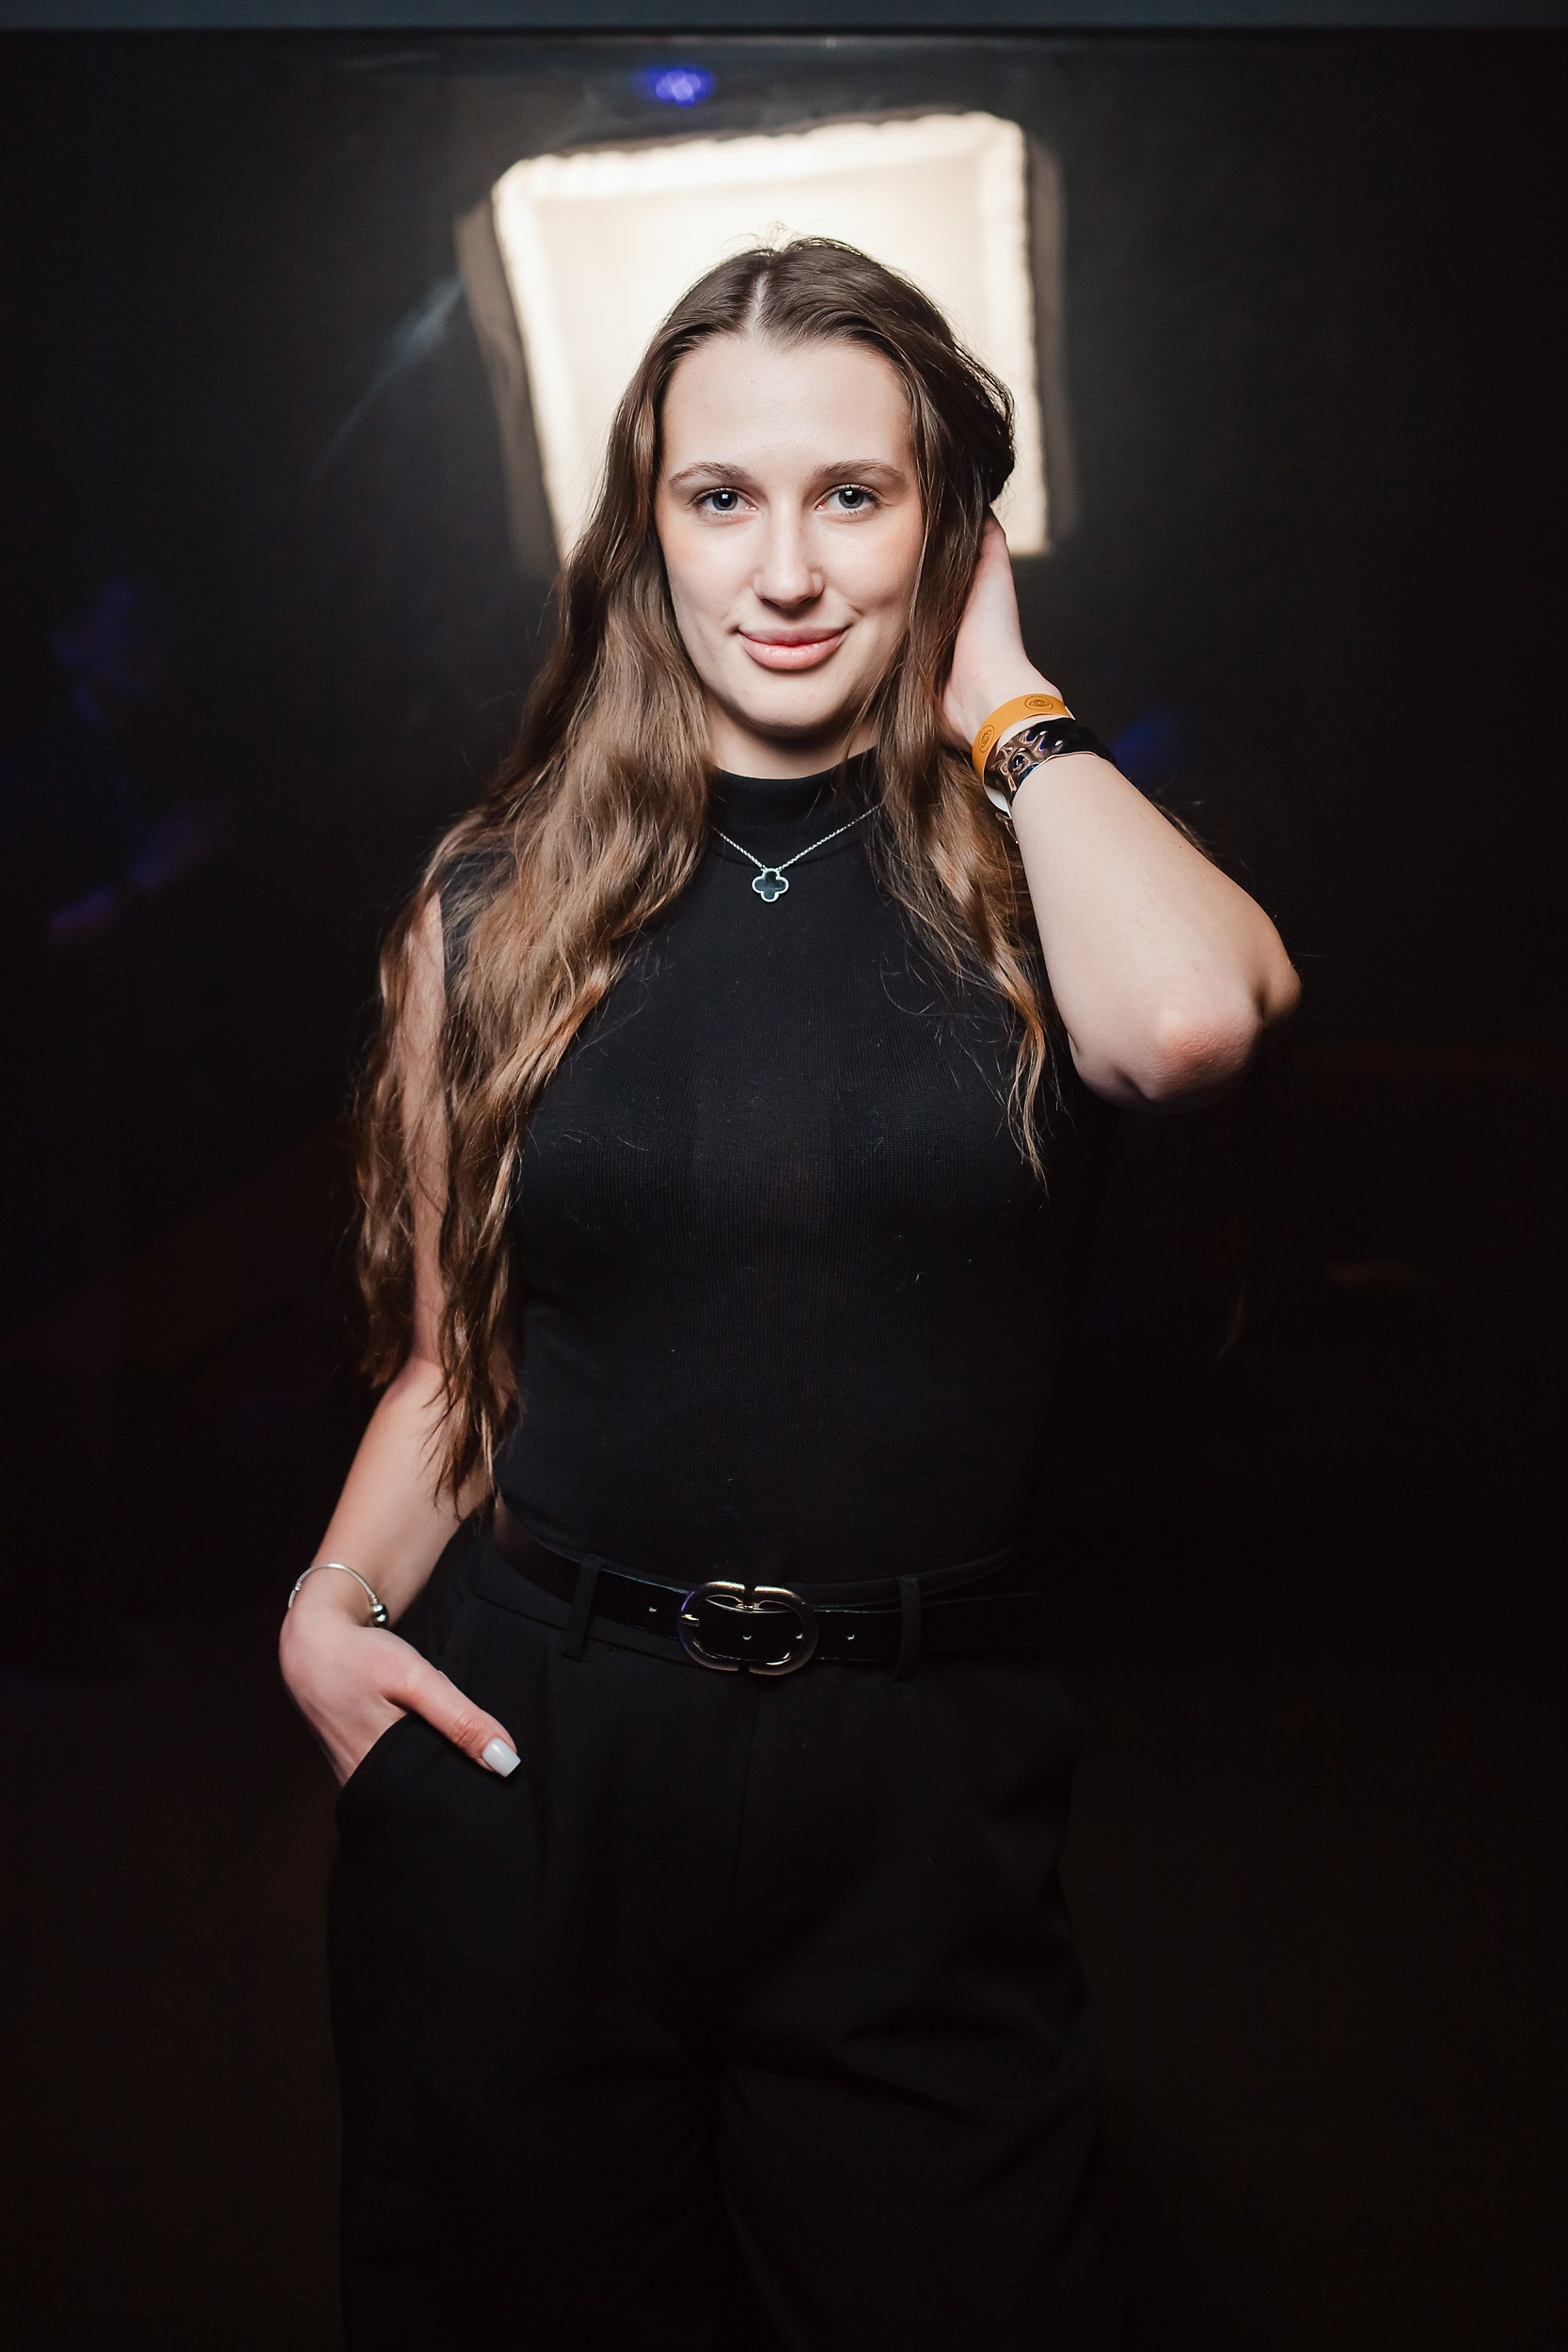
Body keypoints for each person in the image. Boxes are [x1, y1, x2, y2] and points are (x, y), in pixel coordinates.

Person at [279, 237, 1299, 2350]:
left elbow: (1193, 1020)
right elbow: (461, 1364)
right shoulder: (501, 899)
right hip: (538, 1758)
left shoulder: (1043, 870)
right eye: (720, 495)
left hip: (913, 1784)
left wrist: (1005, 694)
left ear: (950, 525)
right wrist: (331, 1606)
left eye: (856, 493)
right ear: (645, 530)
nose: (788, 568)